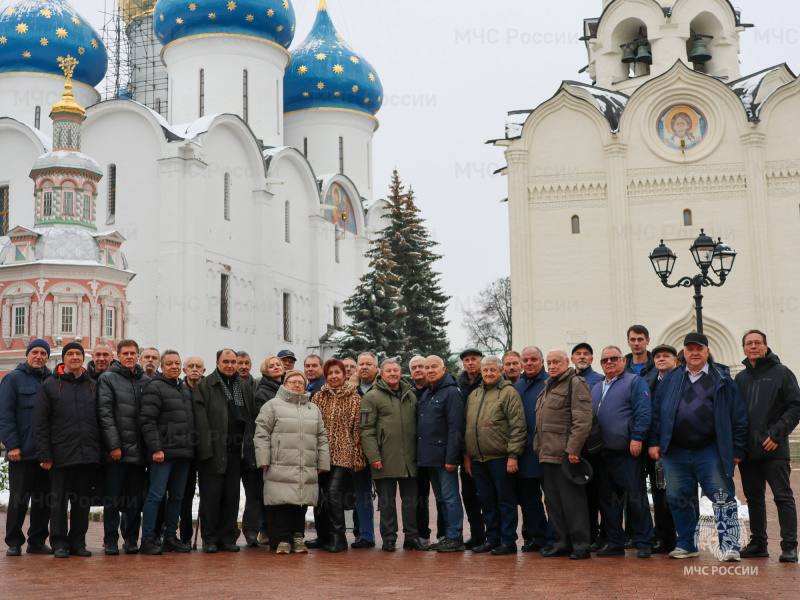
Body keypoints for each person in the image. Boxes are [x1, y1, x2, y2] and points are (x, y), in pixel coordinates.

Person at [649, 333, 748, 562]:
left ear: (707, 351)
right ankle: (686, 543)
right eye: (690, 349)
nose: (694, 353)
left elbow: (739, 416)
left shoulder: (722, 378)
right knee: (678, 497)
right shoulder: (671, 379)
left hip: (710, 450)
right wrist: (654, 442)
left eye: (699, 349)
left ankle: (730, 545)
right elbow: (657, 413)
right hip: (675, 451)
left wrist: (738, 449)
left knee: (722, 496)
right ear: (683, 352)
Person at [735, 330, 800, 563]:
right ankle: (759, 543)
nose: (753, 346)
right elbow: (736, 414)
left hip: (774, 449)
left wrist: (777, 434)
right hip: (749, 451)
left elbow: (795, 407)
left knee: (783, 497)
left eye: (757, 343)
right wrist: (737, 446)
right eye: (749, 343)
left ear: (765, 346)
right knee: (754, 498)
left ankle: (790, 546)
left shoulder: (782, 373)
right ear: (743, 348)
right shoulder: (741, 378)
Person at [34, 342, 100, 558]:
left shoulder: (92, 384)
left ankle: (78, 542)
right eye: (70, 354)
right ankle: (60, 542)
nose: (74, 357)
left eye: (78, 354)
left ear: (83, 358)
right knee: (59, 502)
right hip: (60, 455)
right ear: (63, 359)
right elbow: (41, 423)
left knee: (82, 503)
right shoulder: (50, 385)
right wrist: (45, 454)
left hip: (87, 455)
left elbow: (100, 420)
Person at [254, 370, 330, 554]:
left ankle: (298, 537)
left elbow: (322, 436)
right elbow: (261, 433)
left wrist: (323, 462)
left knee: (301, 503)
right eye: (293, 381)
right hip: (279, 463)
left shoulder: (313, 409)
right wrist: (263, 458)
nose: (297, 385)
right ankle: (283, 539)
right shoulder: (272, 406)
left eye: (300, 382)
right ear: (284, 384)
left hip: (306, 464)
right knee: (282, 503)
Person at [592, 346, 653, 559]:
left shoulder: (634, 382)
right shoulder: (597, 387)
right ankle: (615, 542)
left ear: (623, 361)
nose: (609, 362)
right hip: (603, 453)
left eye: (614, 358)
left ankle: (645, 541)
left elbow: (643, 411)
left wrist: (637, 437)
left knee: (635, 498)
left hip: (627, 452)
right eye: (605, 359)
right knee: (608, 501)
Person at [194, 348, 257, 552]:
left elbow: (250, 417)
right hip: (213, 448)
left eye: (233, 362)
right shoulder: (206, 385)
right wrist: (205, 450)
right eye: (226, 361)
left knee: (232, 496)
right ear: (217, 362)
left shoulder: (244, 386)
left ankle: (228, 537)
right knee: (211, 497)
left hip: (236, 450)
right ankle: (210, 538)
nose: (230, 365)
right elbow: (200, 420)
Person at [361, 358, 426, 552]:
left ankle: (411, 537)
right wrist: (374, 457)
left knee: (410, 502)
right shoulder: (371, 397)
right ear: (381, 372)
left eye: (395, 370)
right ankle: (389, 538)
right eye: (388, 370)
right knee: (387, 504)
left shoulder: (410, 394)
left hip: (409, 459)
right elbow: (366, 430)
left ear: (400, 372)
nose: (392, 374)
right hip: (384, 458)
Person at [464, 356, 526, 555]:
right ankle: (492, 539)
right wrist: (468, 456)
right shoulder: (474, 395)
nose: (489, 374)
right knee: (487, 502)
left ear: (500, 371)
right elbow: (468, 427)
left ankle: (508, 540)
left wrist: (513, 455)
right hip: (479, 459)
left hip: (501, 458)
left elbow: (518, 426)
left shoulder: (508, 393)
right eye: (486, 370)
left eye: (493, 370)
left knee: (505, 501)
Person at [535, 350, 592, 560]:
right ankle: (561, 542)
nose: (552, 365)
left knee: (573, 503)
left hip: (566, 455)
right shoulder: (548, 386)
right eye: (549, 362)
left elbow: (583, 420)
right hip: (546, 454)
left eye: (556, 362)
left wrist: (573, 449)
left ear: (567, 362)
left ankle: (581, 544)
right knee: (553, 502)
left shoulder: (575, 383)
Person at [138, 350, 195, 555]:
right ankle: (148, 539)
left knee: (177, 497)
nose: (174, 366)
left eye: (177, 363)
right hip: (163, 454)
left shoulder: (184, 389)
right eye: (169, 363)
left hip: (183, 454)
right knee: (156, 496)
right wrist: (156, 448)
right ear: (162, 366)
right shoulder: (154, 387)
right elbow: (147, 420)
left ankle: (170, 537)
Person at [97, 339, 151, 555]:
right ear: (118, 356)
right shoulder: (108, 379)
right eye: (125, 353)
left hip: (139, 453)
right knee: (112, 500)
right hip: (116, 453)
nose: (129, 356)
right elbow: (105, 414)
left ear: (138, 355)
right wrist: (114, 445)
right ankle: (110, 540)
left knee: (134, 501)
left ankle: (130, 539)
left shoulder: (145, 381)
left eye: (133, 353)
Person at [0, 339, 52, 556]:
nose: (39, 356)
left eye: (43, 353)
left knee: (44, 500)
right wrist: (12, 445)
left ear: (48, 357)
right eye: (35, 352)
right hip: (21, 452)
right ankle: (13, 541)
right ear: (28, 354)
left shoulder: (51, 380)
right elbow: (4, 415)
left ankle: (37, 541)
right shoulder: (13, 379)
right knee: (19, 499)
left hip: (46, 454)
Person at [310, 358, 365, 552]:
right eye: (330, 373)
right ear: (326, 376)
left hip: (344, 453)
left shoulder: (354, 397)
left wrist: (357, 456)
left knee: (333, 494)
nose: (334, 376)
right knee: (320, 495)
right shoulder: (318, 397)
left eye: (337, 372)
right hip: (321, 454)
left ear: (344, 375)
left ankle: (339, 538)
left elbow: (358, 429)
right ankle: (322, 536)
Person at [417, 355, 465, 552]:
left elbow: (456, 428)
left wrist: (452, 459)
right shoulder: (428, 393)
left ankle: (455, 536)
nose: (430, 370)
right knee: (441, 499)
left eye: (434, 367)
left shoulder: (452, 393)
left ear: (443, 369)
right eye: (427, 367)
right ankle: (447, 536)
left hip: (445, 458)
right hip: (430, 458)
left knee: (451, 497)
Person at [514, 346, 550, 552]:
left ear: (541, 361)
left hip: (547, 450)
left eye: (533, 359)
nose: (529, 363)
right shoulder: (518, 386)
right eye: (525, 360)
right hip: (525, 451)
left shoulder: (549, 382)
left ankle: (554, 536)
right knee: (529, 500)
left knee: (552, 499)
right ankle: (537, 537)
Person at [643, 344, 679, 554]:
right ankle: (664, 537)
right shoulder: (649, 381)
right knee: (659, 495)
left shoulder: (682, 380)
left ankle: (682, 538)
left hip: (677, 448)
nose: (661, 359)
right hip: (654, 448)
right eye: (658, 356)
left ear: (675, 360)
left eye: (666, 355)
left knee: (679, 495)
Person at [408, 354, 444, 544]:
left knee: (441, 496)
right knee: (420, 497)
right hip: (417, 454)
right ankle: (422, 534)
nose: (418, 370)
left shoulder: (437, 390)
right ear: (410, 372)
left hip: (437, 452)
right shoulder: (407, 393)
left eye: (421, 366)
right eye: (414, 367)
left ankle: (444, 534)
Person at [456, 348, 486, 549]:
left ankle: (493, 534)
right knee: (468, 496)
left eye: (474, 359)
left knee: (487, 495)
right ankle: (477, 534)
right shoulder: (458, 384)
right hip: (465, 447)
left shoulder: (488, 380)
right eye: (466, 360)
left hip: (486, 446)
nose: (470, 363)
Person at [350, 351, 379, 549]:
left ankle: (389, 535)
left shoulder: (384, 388)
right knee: (362, 494)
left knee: (386, 495)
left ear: (376, 367)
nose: (365, 367)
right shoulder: (350, 391)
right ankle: (365, 535)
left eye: (369, 363)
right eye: (361, 364)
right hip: (358, 450)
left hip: (382, 449)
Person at [178, 356, 205, 547]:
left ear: (204, 370)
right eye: (191, 366)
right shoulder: (178, 390)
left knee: (208, 495)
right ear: (184, 370)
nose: (194, 369)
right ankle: (185, 537)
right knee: (184, 496)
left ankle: (209, 536)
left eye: (198, 367)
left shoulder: (208, 391)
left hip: (206, 450)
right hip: (185, 451)